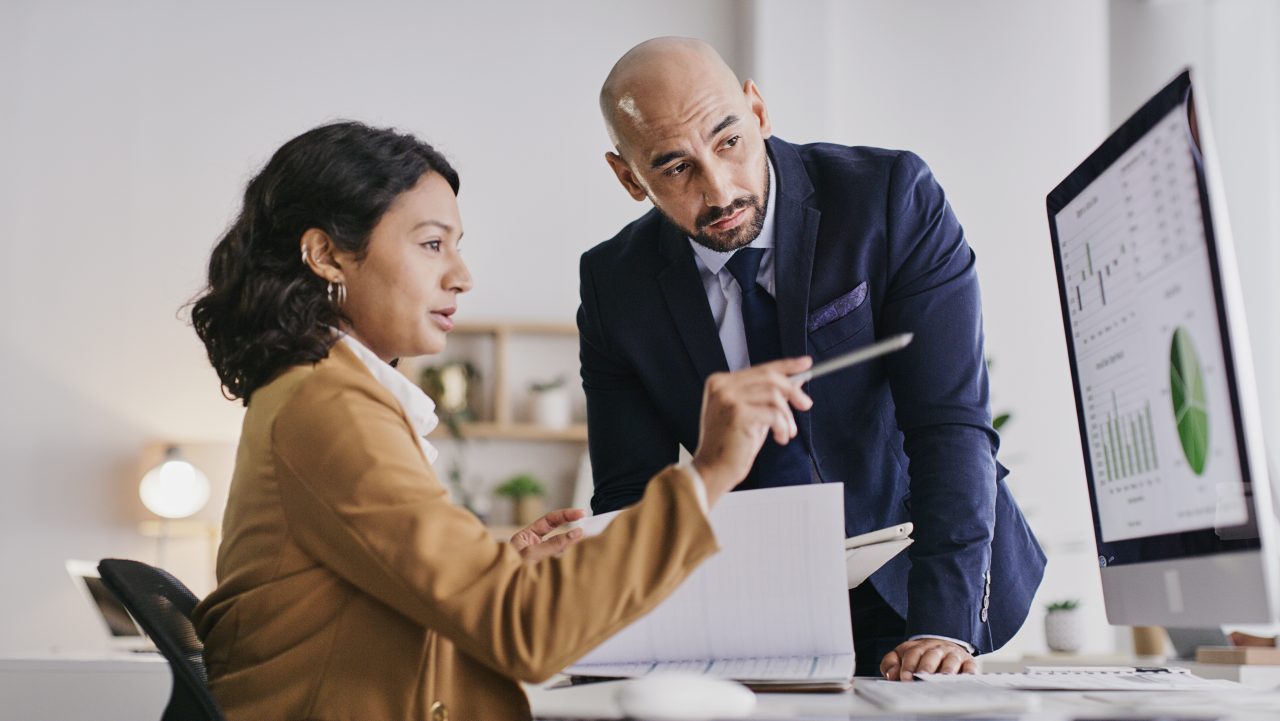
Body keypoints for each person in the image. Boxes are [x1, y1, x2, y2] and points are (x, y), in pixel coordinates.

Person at [188, 121, 814, 720]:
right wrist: (708, 473)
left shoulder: (317, 393)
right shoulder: (331, 407)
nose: (462, 277)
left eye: (456, 248)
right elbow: (526, 634)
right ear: (326, 254)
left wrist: (500, 570)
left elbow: (366, 604)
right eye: (432, 244)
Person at [578, 37, 1046, 679]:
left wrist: (943, 628)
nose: (719, 190)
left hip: (927, 582)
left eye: (729, 141)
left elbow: (949, 423)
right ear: (629, 177)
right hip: (757, 615)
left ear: (758, 111)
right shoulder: (614, 285)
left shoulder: (891, 197)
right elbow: (630, 493)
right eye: (675, 167)